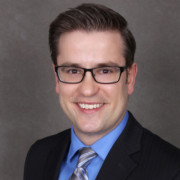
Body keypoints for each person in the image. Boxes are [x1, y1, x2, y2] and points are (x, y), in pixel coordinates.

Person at [23, 3, 180, 180]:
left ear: (130, 78)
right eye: (73, 71)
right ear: (57, 78)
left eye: (105, 71)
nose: (88, 90)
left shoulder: (172, 170)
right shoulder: (40, 155)